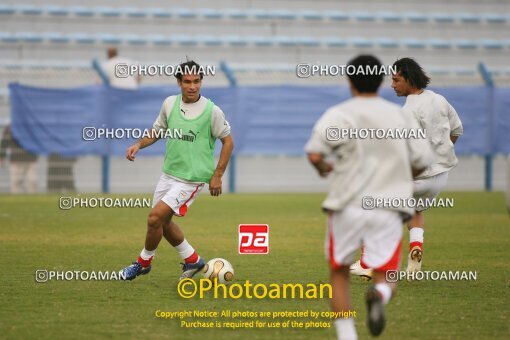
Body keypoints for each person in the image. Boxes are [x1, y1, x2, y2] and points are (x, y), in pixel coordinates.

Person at [305, 55, 433, 339]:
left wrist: (325, 168)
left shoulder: (338, 114)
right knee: (387, 273)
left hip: (346, 205)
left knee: (339, 273)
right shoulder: (400, 116)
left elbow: (314, 153)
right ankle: (379, 294)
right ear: (381, 81)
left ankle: (348, 335)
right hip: (388, 207)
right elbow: (423, 160)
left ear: (350, 81)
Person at [350, 57, 464, 278]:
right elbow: (456, 130)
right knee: (416, 210)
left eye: (396, 80)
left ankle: (368, 263)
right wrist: (440, 155)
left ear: (409, 79)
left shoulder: (407, 111)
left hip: (416, 176)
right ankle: (416, 248)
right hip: (440, 177)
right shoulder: (440, 99)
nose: (392, 85)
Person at [120, 60, 234, 281]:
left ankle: (143, 263)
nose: (192, 86)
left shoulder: (212, 111)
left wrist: (217, 175)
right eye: (187, 82)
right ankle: (193, 260)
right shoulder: (169, 104)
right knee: (162, 223)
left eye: (197, 81)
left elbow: (228, 142)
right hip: (168, 174)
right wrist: (138, 145)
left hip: (191, 179)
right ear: (179, 82)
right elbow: (157, 131)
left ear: (201, 82)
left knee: (154, 218)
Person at [0, 125, 38, 193]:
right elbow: (4, 143)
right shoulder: (10, 128)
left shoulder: (33, 127)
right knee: (16, 182)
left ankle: (33, 200)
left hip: (30, 159)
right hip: (16, 160)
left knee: (32, 182)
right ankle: (15, 200)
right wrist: (2, 157)